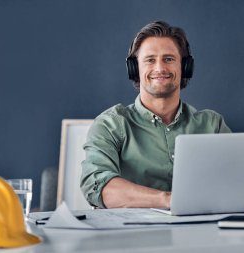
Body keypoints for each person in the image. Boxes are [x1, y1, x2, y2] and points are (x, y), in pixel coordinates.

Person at [80, 21, 231, 209]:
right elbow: (98, 188)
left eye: (168, 59)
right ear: (134, 69)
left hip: (200, 232)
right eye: (150, 60)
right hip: (130, 235)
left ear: (185, 67)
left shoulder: (212, 125)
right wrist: (168, 200)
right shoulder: (110, 125)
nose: (160, 68)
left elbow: (238, 179)